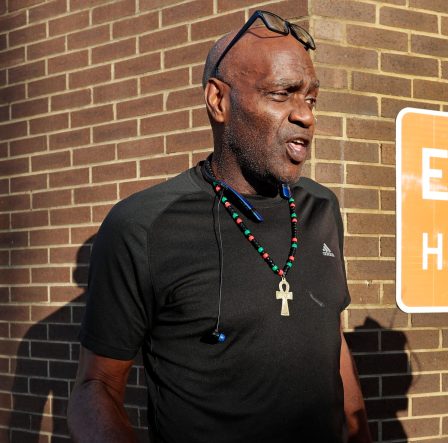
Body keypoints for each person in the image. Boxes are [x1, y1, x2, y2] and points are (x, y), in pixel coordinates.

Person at [67, 11, 371, 443]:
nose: (305, 115)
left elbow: (330, 339)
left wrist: (360, 431)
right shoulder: (143, 226)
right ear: (219, 101)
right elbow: (95, 386)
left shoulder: (322, 207)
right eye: (282, 94)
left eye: (311, 99)